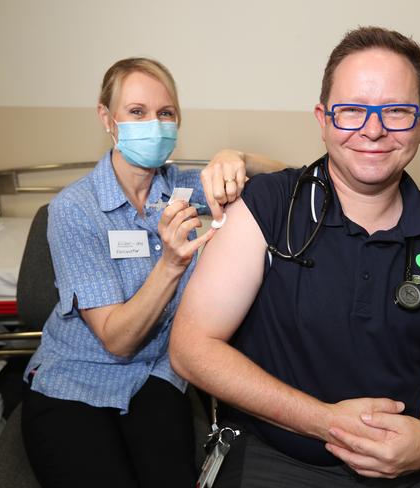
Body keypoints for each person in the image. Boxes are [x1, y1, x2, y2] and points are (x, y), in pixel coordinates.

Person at [170, 27, 420, 487]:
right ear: (323, 118)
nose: (374, 129)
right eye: (352, 111)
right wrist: (324, 421)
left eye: (397, 111)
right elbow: (190, 347)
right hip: (281, 451)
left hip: (407, 456)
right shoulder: (269, 207)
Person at [20, 57, 284, 488]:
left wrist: (235, 157)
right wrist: (172, 263)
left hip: (158, 375)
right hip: (78, 378)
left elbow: (289, 179)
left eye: (165, 113)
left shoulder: (181, 187)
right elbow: (117, 340)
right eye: (137, 112)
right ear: (107, 118)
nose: (154, 124)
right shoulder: (74, 210)